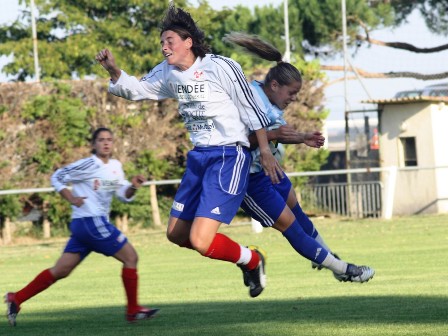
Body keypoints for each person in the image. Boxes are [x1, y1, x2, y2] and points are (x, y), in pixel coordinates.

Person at [95, 5, 284, 298]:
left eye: (169, 40)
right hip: (199, 158)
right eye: (161, 42)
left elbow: (252, 108)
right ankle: (250, 259)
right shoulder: (168, 72)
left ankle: (253, 261)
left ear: (188, 42)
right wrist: (114, 70)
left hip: (228, 157)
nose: (164, 46)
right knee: (176, 234)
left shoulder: (221, 66)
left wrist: (264, 149)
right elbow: (137, 89)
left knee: (199, 239)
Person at [224, 32, 375, 283]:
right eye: (291, 93)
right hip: (247, 177)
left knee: (298, 212)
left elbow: (276, 134)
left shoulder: (272, 105)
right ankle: (343, 269)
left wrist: (302, 137)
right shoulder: (249, 97)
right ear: (274, 86)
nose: (294, 99)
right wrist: (271, 135)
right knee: (290, 225)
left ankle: (330, 258)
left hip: (268, 171)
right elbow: (235, 141)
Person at [4, 127, 159, 327]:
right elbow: (57, 177)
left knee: (61, 270)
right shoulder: (87, 164)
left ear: (113, 143)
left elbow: (123, 194)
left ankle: (16, 298)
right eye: (101, 139)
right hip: (91, 221)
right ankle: (133, 310)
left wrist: (134, 186)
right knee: (131, 257)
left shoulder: (115, 166)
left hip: (85, 226)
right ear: (94, 144)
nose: (106, 143)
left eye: (109, 140)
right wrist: (71, 197)